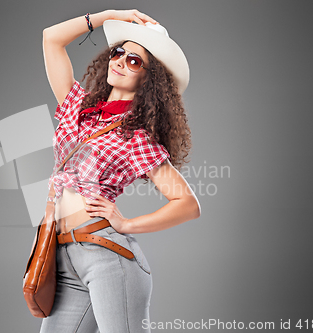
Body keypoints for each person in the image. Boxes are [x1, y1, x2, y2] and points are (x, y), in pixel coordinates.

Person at [40, 9, 201, 333]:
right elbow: (51, 39)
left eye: (134, 61)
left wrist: (127, 224)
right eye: (118, 52)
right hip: (63, 256)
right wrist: (111, 15)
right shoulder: (78, 108)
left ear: (148, 78)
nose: (120, 61)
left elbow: (188, 204)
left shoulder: (136, 136)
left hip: (107, 257)